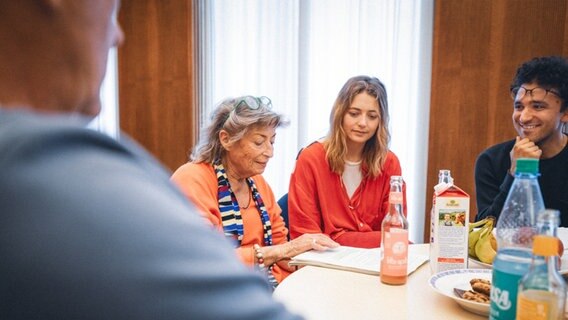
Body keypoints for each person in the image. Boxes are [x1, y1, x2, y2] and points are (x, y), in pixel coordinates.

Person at [0, 1, 303, 319]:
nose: (118, 36)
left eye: (272, 141)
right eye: (111, 12)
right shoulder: (55, 168)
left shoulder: (259, 185)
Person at [171, 96, 338, 285]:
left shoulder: (258, 183)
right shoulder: (192, 178)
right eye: (259, 142)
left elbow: (280, 249)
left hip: (263, 284)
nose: (270, 152)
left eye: (272, 142)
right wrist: (285, 250)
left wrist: (319, 261)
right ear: (226, 139)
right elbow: (204, 259)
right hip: (214, 290)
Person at [288, 75, 406, 248]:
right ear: (340, 114)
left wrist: (338, 238)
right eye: (354, 114)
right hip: (323, 261)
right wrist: (370, 239)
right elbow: (305, 234)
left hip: (373, 261)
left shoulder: (389, 163)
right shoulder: (311, 159)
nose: (363, 123)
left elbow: (395, 230)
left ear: (381, 121)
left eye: (372, 116)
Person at [475, 56, 568, 226]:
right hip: (511, 252)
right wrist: (514, 174)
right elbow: (485, 232)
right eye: (519, 107)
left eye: (538, 106)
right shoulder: (491, 160)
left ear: (565, 113)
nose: (524, 117)